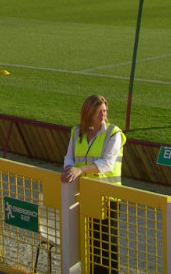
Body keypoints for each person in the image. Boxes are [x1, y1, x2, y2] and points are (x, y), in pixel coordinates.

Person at [62, 94, 125, 274]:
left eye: (104, 111)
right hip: (84, 194)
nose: (103, 115)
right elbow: (69, 157)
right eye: (99, 112)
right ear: (88, 113)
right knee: (89, 241)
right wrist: (68, 169)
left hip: (108, 197)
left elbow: (107, 163)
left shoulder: (114, 133)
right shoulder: (76, 132)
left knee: (107, 245)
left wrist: (80, 170)